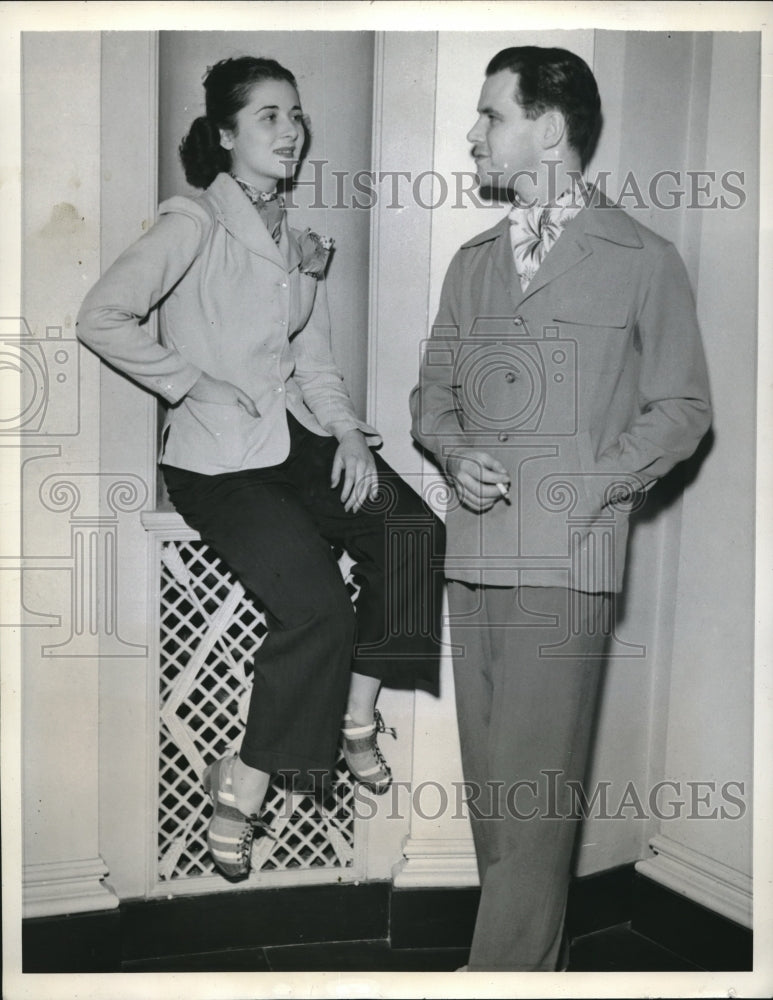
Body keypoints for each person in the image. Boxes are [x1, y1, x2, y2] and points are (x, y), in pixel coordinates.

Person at [77, 55, 444, 882]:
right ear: (225, 135)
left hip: (298, 443)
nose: (291, 131)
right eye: (270, 116)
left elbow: (309, 360)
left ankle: (355, 720)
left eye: (295, 115)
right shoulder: (192, 221)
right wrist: (191, 383)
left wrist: (349, 434)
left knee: (415, 536)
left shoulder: (290, 234)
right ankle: (240, 789)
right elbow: (101, 315)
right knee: (315, 607)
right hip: (220, 466)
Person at [410, 46, 711, 971]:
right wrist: (455, 457)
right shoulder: (472, 262)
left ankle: (497, 976)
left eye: (489, 116)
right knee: (497, 792)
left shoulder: (641, 259)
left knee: (535, 796)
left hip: (570, 556)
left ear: (547, 128)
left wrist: (589, 484)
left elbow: (683, 409)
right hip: (474, 557)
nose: (473, 134)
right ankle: (531, 967)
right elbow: (431, 399)